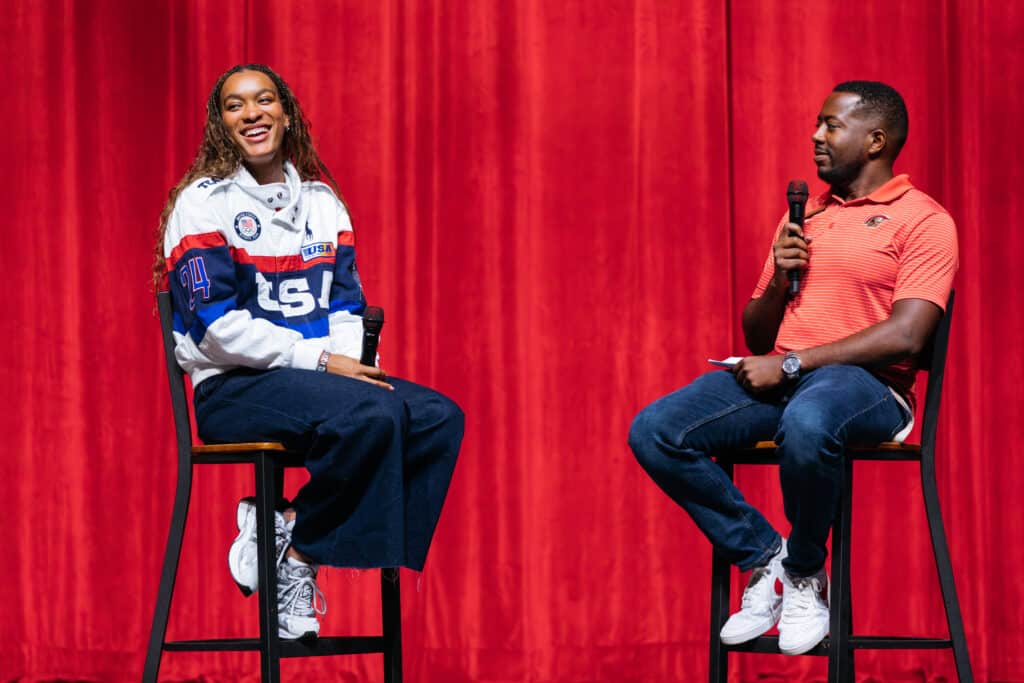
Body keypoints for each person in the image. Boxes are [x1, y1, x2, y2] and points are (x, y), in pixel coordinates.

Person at [628, 81, 957, 655]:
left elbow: (909, 333)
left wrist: (794, 363)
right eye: (817, 124)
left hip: (870, 389)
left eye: (832, 126)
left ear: (876, 140)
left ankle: (807, 572)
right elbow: (757, 334)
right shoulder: (803, 218)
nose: (816, 136)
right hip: (792, 378)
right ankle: (766, 559)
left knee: (809, 422)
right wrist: (781, 278)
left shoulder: (924, 221)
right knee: (657, 431)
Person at [154, 64, 464, 639]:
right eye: (235, 105)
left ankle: (294, 543)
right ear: (220, 125)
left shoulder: (322, 203)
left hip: (317, 387)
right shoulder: (203, 205)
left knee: (436, 418)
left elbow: (346, 308)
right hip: (233, 389)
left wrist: (349, 369)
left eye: (264, 100)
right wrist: (323, 363)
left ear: (286, 112)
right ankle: (300, 542)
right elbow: (218, 329)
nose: (252, 114)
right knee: (374, 414)